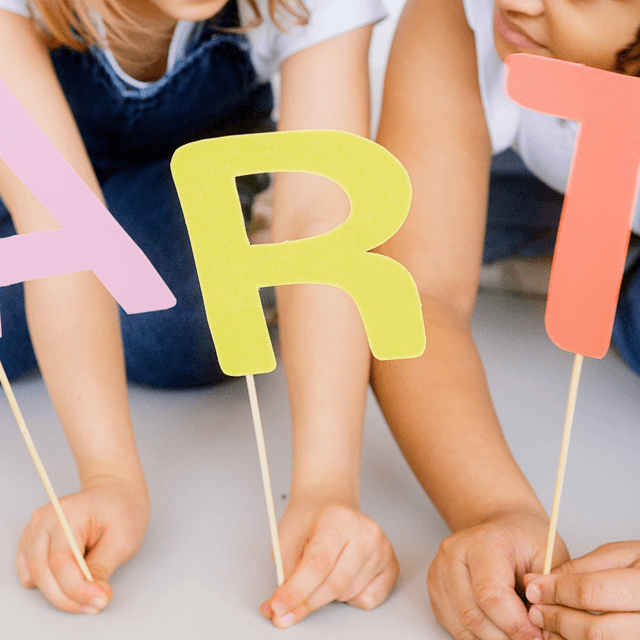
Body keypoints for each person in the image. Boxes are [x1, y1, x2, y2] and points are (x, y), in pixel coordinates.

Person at [0, 0, 399, 626]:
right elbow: (61, 220)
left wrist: (326, 487)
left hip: (171, 201)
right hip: (31, 200)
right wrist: (110, 476)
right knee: (112, 264)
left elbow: (320, 218)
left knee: (185, 308)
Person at [374, 0, 640, 638]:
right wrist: (495, 510)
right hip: (534, 176)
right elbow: (415, 295)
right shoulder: (459, 19)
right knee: (384, 227)